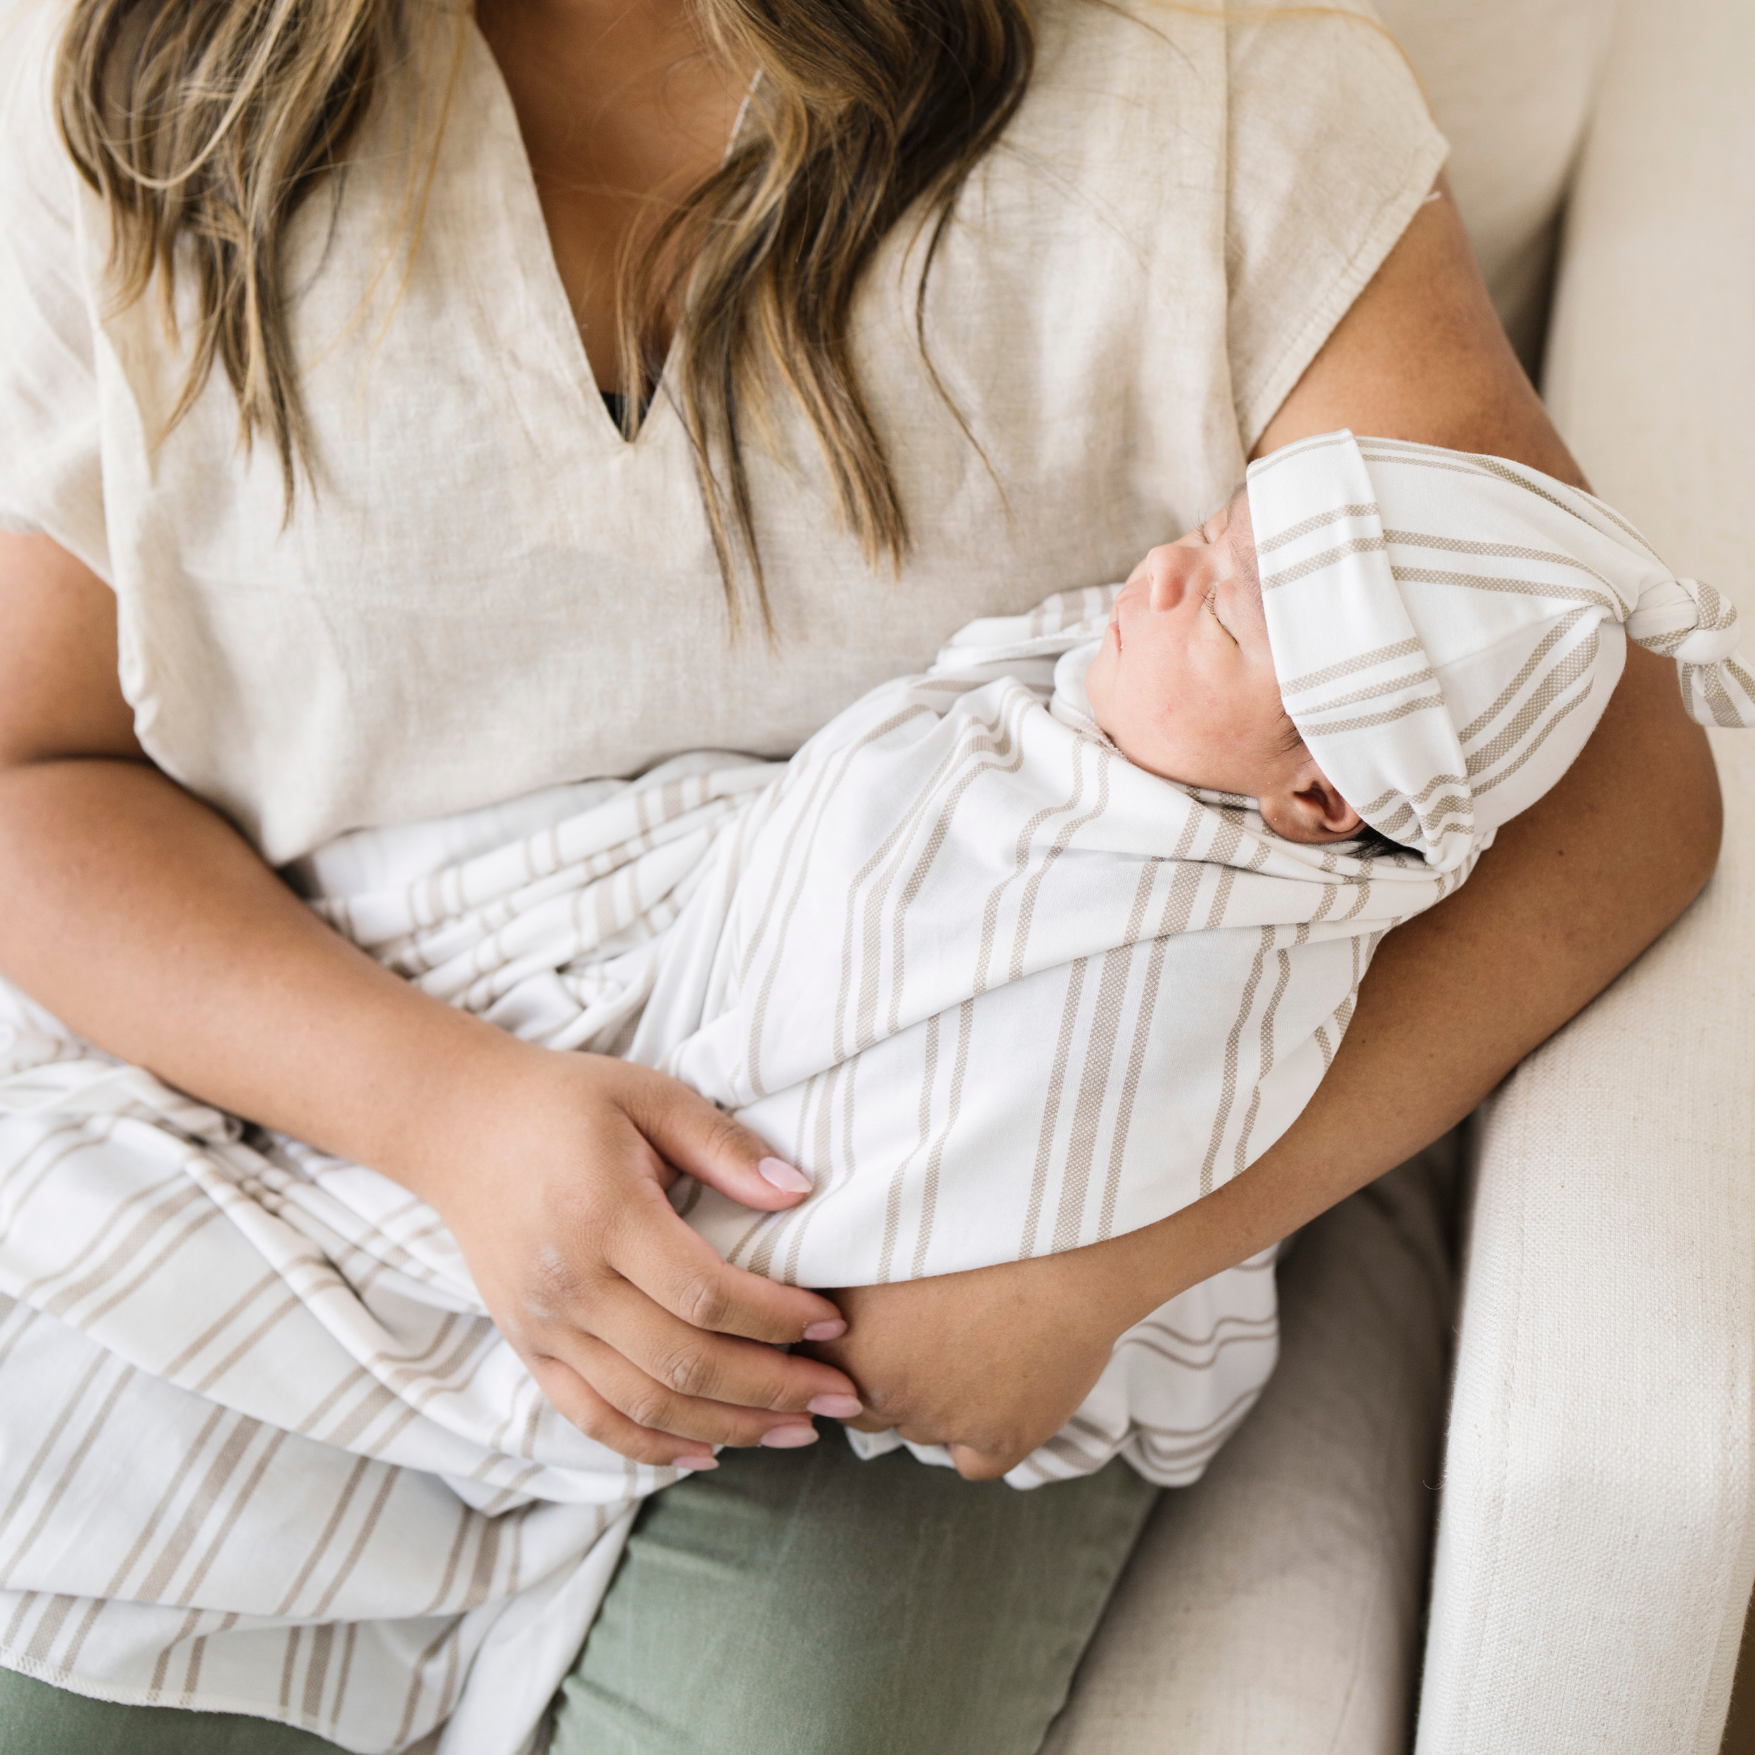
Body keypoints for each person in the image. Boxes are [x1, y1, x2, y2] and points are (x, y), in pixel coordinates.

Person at [0, 0, 1722, 1746]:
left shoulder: (1202, 102)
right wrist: (449, 1117)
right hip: (336, 1112)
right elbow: (33, 774)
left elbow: (1626, 773)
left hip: (944, 1233)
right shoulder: (149, 118)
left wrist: (1096, 1263)